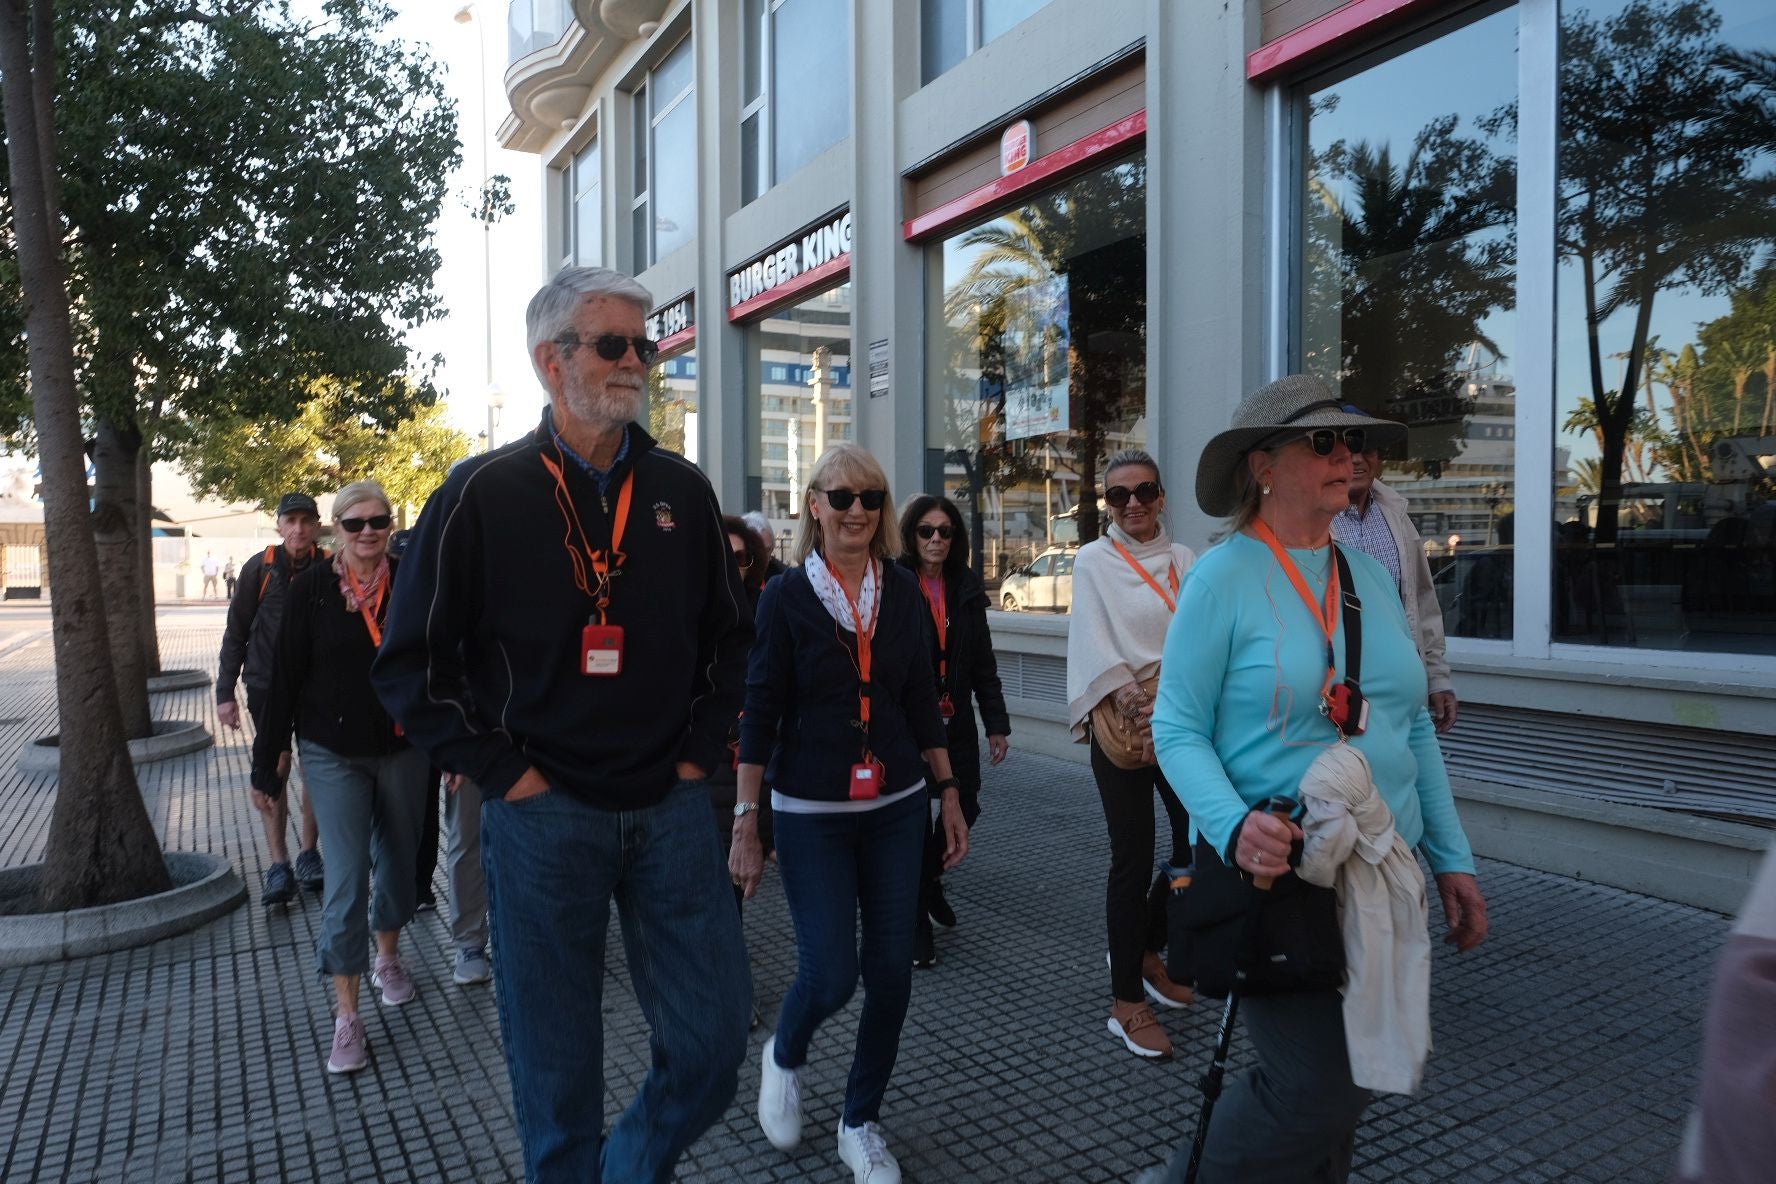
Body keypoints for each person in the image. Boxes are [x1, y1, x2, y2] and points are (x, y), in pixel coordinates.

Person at [371, 265, 753, 1184]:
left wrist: (701, 761)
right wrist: (506, 774)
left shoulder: (682, 491)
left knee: (713, 1040)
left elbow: (729, 645)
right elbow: (411, 664)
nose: (636, 361)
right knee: (555, 1069)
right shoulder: (482, 492)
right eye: (612, 344)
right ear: (552, 361)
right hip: (543, 816)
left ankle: (626, 1168)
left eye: (644, 343)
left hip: (670, 808)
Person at [1146, 373, 1489, 1183]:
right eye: (1326, 441)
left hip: (1383, 873)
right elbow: (1176, 728)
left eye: (1357, 441)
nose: (1352, 455)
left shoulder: (1369, 575)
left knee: (1356, 1084)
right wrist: (1231, 826)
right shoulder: (1221, 579)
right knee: (1313, 1089)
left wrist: (1454, 857)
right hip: (1282, 876)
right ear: (1264, 464)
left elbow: (1407, 729)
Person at [731, 443, 969, 1184]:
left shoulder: (899, 591)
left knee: (891, 973)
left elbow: (921, 702)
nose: (857, 511)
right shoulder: (785, 598)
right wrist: (747, 819)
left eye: (870, 497)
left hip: (897, 803)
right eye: (841, 498)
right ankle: (785, 1051)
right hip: (810, 810)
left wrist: (949, 791)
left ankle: (859, 1121)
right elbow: (760, 711)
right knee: (831, 974)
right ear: (813, 506)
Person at [250, 480, 427, 1075]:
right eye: (355, 524)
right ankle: (347, 1016)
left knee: (401, 865)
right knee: (347, 877)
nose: (368, 532)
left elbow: (444, 666)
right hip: (331, 751)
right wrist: (267, 762)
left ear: (391, 524)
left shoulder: (415, 583)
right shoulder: (311, 592)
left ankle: (388, 956)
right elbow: (283, 676)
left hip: (405, 748)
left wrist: (457, 747)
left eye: (378, 521)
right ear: (337, 530)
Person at [1065, 448, 1198, 1060]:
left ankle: (1147, 946)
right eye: (1119, 496)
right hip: (1124, 722)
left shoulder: (1185, 561)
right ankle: (1125, 1001)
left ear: (1162, 495)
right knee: (1132, 857)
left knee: (1196, 846)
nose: (1134, 504)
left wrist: (1176, 705)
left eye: (1144, 490)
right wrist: (1133, 699)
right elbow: (1091, 636)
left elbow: (1199, 639)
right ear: (1107, 505)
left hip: (1184, 722)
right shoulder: (1093, 560)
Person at [896, 494, 1010, 968]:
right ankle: (915, 919)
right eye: (927, 531)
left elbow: (983, 662)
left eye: (945, 532)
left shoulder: (965, 587)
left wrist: (997, 724)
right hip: (906, 724)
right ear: (911, 535)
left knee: (965, 804)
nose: (936, 540)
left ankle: (927, 884)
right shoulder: (894, 582)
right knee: (909, 819)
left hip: (957, 720)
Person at [217, 492, 326, 906]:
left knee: (316, 763)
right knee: (275, 765)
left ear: (316, 526)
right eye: (290, 520)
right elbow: (236, 632)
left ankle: (309, 853)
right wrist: (224, 692)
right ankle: (278, 863)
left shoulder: (329, 567)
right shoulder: (258, 569)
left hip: (316, 685)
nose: (298, 528)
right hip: (266, 684)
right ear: (279, 526)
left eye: (305, 521)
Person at [1331, 412, 1458, 733]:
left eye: (1368, 452)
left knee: (1403, 776)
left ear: (1379, 459)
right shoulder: (1317, 521)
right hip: (1342, 687)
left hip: (1402, 685)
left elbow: (1422, 602)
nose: (1358, 462)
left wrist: (1436, 678)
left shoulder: (1396, 516)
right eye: (1349, 453)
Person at [707, 513, 773, 1028]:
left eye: (741, 558)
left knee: (729, 889)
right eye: (722, 556)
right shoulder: (686, 611)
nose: (731, 567)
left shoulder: (765, 614)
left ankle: (730, 987)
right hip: (696, 765)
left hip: (745, 767)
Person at [744, 508, 789, 580]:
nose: (762, 557)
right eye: (756, 550)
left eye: (767, 550)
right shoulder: (729, 580)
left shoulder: (784, 579)